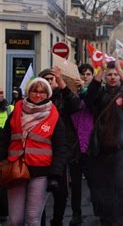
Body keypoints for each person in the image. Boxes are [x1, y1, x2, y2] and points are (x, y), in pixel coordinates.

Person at [0, 78, 68, 226]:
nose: (38, 95)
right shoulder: (16, 110)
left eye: (42, 92)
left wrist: (56, 173)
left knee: (33, 219)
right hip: (15, 169)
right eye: (34, 91)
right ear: (28, 92)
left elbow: (61, 147)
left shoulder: (54, 115)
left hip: (41, 172)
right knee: (15, 220)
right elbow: (4, 140)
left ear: (47, 94)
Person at [85, 60, 123, 226]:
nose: (112, 77)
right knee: (103, 192)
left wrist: (120, 70)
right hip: (101, 153)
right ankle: (107, 221)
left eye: (115, 74)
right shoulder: (99, 95)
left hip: (122, 152)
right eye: (109, 74)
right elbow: (89, 98)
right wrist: (99, 72)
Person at [39, 67, 82, 226]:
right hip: (39, 151)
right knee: (38, 192)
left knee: (60, 192)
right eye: (47, 79)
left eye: (52, 79)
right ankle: (39, 221)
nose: (50, 82)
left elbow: (77, 105)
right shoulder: (37, 97)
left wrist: (63, 84)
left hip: (60, 152)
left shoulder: (64, 97)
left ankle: (57, 221)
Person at [69, 63, 95, 225]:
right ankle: (76, 214)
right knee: (76, 185)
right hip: (75, 145)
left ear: (92, 76)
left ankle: (99, 209)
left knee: (94, 181)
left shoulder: (96, 92)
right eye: (82, 74)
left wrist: (85, 91)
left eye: (88, 74)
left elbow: (93, 105)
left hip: (92, 145)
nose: (85, 76)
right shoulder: (72, 93)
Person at [0, 88, 14, 222]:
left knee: (4, 182)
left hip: (6, 150)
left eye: (1, 93)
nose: (0, 95)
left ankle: (4, 212)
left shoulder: (11, 109)